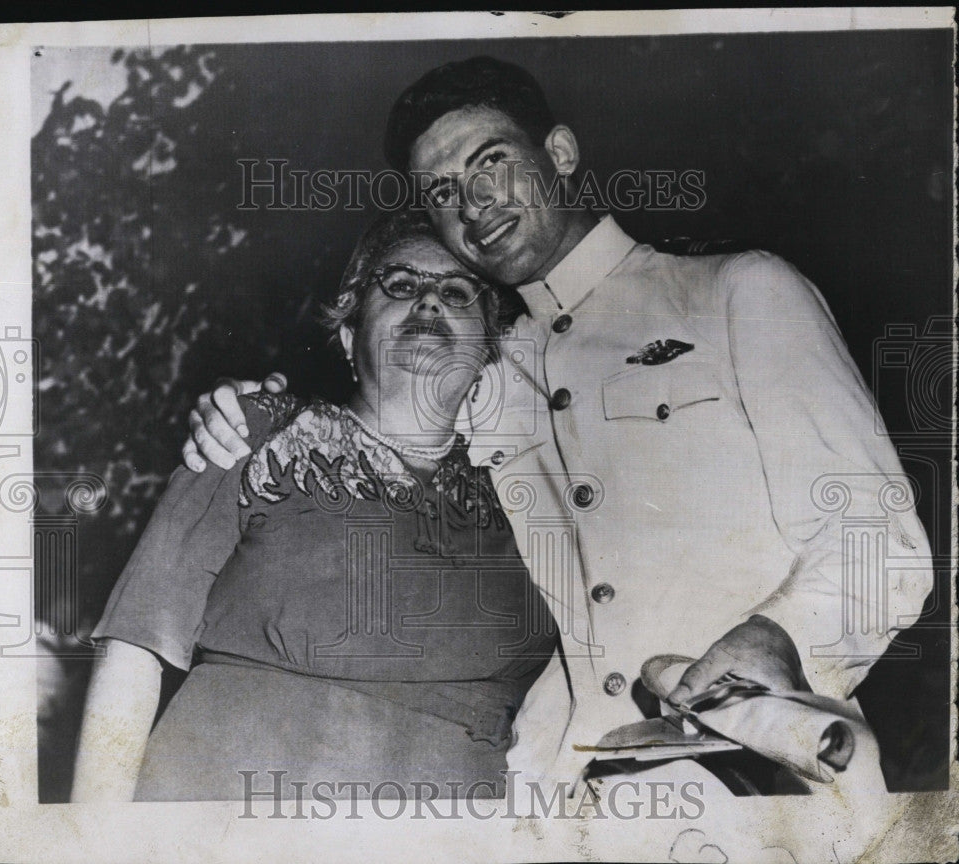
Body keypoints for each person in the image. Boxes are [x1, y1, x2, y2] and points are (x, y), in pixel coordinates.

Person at [183, 56, 933, 791]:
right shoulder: (481, 367)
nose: (473, 205)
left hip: (768, 775)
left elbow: (880, 541)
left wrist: (780, 637)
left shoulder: (738, 291)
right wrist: (253, 410)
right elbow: (378, 432)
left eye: (491, 163)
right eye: (442, 192)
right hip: (566, 797)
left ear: (562, 154)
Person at [72, 210, 557, 802]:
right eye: (400, 285)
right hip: (232, 810)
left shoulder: (531, 489)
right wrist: (91, 836)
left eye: (457, 293)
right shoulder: (253, 434)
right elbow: (134, 650)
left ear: (487, 352)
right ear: (350, 336)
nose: (429, 302)